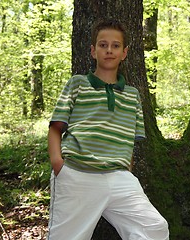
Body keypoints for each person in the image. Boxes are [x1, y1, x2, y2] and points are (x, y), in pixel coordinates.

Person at [47, 19, 169, 240]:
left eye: (115, 46)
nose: (109, 50)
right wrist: (59, 165)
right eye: (103, 45)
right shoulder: (78, 84)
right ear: (93, 51)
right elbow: (56, 127)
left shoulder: (132, 95)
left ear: (124, 53)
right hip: (77, 173)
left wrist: (127, 170)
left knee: (154, 227)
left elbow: (130, 139)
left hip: (119, 178)